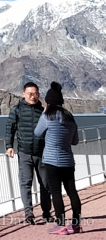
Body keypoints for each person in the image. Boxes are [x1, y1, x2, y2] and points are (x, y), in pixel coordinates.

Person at [34, 81, 81, 234]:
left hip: (51, 161)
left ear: (48, 101)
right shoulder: (70, 117)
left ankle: (61, 225)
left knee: (56, 192)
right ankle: (76, 223)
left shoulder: (46, 116)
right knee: (72, 192)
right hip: (68, 160)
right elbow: (75, 141)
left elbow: (37, 133)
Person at [6, 81, 53, 224]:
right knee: (25, 183)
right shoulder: (17, 110)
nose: (33, 96)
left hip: (42, 153)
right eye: (30, 94)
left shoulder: (43, 111)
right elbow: (10, 128)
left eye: (36, 94)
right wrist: (9, 145)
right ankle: (29, 213)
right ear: (24, 94)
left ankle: (46, 213)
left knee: (45, 184)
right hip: (24, 153)